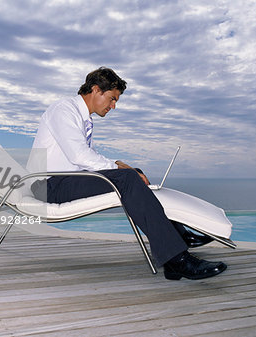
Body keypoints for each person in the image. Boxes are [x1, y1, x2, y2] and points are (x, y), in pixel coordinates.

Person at [27, 67, 226, 280]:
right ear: (96, 90)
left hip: (65, 180)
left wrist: (116, 164)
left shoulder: (81, 117)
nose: (113, 106)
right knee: (129, 177)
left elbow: (81, 157)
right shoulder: (64, 110)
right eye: (112, 99)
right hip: (48, 185)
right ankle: (176, 259)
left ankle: (176, 235)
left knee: (133, 173)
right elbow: (79, 155)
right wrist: (119, 168)